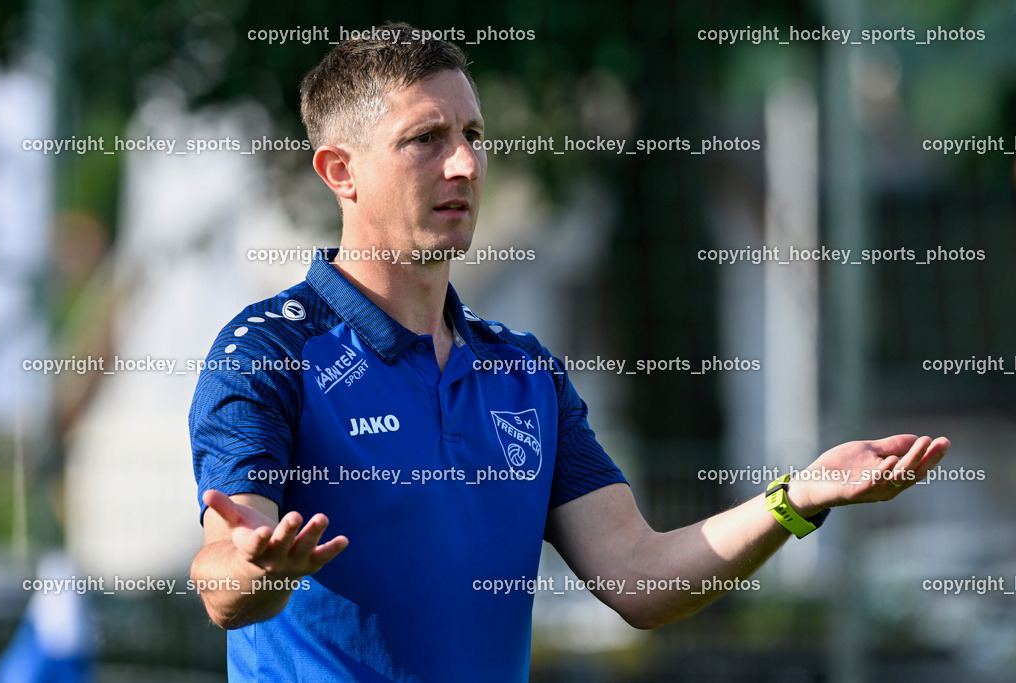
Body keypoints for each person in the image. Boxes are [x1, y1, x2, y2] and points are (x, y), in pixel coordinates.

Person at [189, 22, 950, 682]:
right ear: (340, 172)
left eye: (473, 137)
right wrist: (255, 569)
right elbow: (223, 566)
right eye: (426, 140)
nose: (465, 165)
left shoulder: (524, 374)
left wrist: (799, 497)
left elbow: (640, 575)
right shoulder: (269, 354)